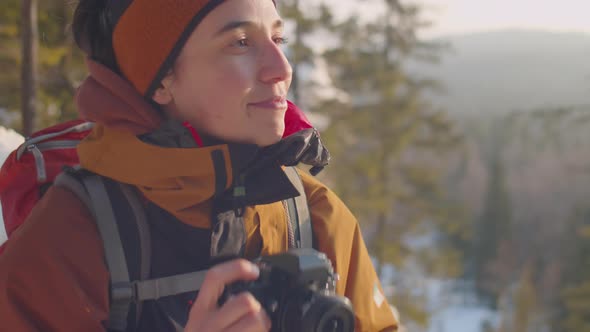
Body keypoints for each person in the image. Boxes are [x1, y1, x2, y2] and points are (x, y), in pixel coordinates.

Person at [0, 0, 398, 331]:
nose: (281, 67)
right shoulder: (68, 237)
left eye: (278, 38)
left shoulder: (315, 216)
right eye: (240, 42)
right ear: (159, 79)